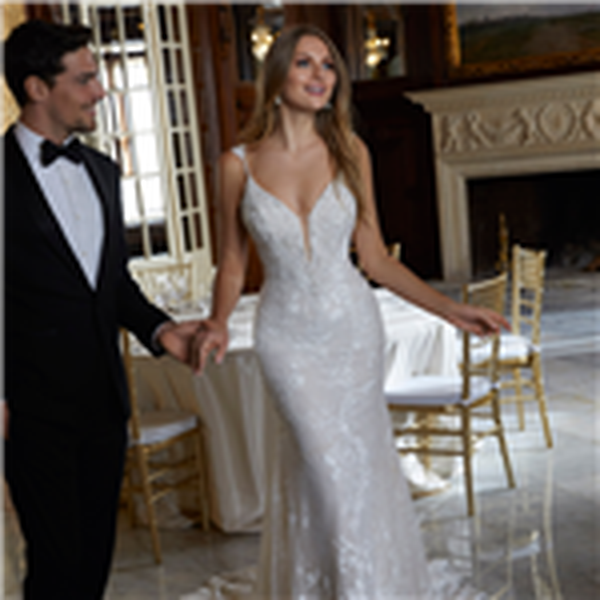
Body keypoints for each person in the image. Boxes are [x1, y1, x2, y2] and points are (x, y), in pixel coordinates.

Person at [189, 24, 509, 597]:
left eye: (329, 66)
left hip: (352, 329)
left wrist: (450, 310)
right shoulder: (236, 163)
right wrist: (216, 320)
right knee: (321, 464)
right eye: (306, 64)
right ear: (277, 73)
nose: (321, 76)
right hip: (286, 339)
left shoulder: (351, 151)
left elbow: (377, 260)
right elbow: (234, 264)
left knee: (355, 469)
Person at [0, 20, 202, 599]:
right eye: (86, 79)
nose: (100, 91)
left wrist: (164, 332)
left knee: (92, 563)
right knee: (56, 567)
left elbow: (111, 283)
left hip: (104, 403)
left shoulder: (103, 173)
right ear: (38, 88)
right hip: (31, 408)